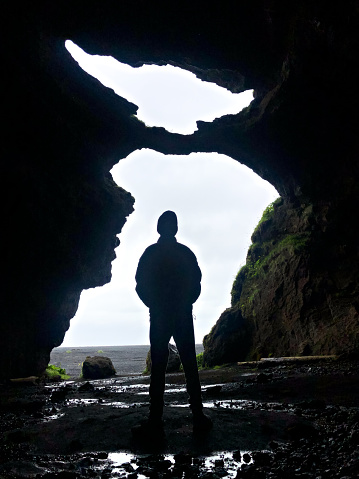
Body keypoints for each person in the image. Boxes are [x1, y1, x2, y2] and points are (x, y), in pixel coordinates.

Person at [134, 210, 212, 436]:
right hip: (182, 313)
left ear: (159, 228)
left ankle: (155, 421)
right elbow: (196, 282)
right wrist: (185, 302)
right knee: (190, 364)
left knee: (158, 366)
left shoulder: (150, 253)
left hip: (159, 314)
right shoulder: (185, 253)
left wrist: (154, 304)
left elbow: (140, 284)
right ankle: (198, 416)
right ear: (175, 229)